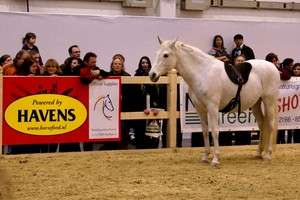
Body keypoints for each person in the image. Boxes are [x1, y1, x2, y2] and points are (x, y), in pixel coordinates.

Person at [132, 56, 167, 149]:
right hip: (141, 109)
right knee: (140, 135)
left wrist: (158, 108)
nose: (145, 64)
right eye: (143, 63)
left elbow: (160, 96)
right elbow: (135, 96)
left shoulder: (156, 77)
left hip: (154, 109)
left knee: (154, 135)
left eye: (147, 63)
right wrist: (142, 108)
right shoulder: (136, 77)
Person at [265, 53, 291, 144]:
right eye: (272, 61)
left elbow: (287, 76)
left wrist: (277, 71)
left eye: (275, 61)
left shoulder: (279, 69)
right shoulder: (265, 71)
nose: (274, 62)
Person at [232, 54, 252, 145]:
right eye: (238, 61)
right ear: (234, 62)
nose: (240, 62)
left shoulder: (251, 76)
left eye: (242, 61)